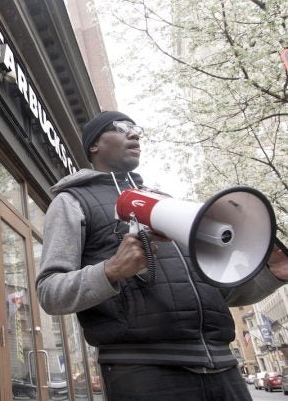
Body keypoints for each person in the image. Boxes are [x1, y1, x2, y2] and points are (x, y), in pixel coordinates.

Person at [36, 110, 288, 401]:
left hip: (222, 366)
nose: (134, 134)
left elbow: (215, 291)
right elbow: (50, 292)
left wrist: (272, 275)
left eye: (136, 128)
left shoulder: (166, 201)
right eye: (120, 128)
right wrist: (112, 270)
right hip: (145, 370)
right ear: (94, 145)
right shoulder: (72, 202)